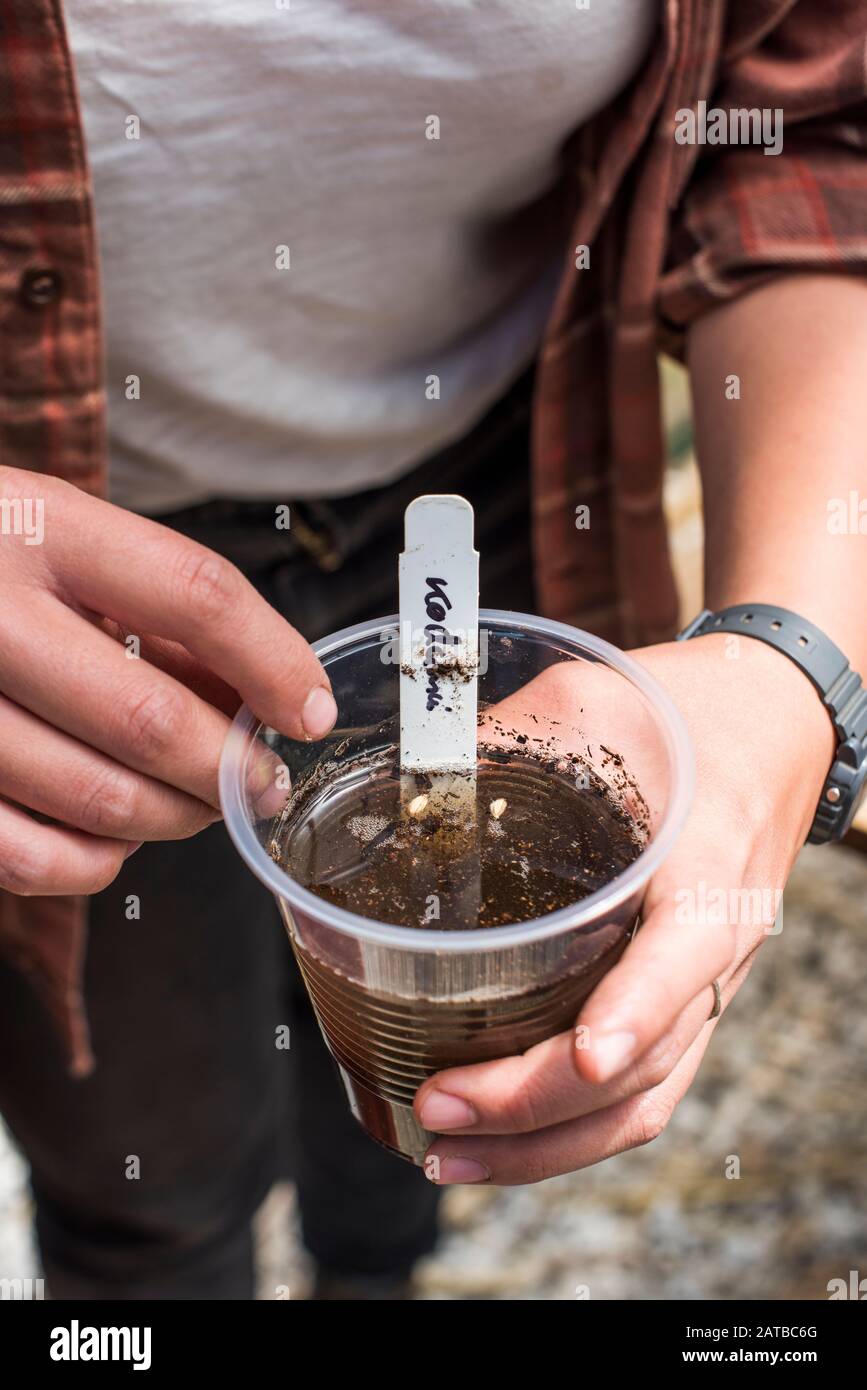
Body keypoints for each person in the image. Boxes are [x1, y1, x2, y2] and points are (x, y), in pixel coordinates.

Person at [0, 0, 865, 1299]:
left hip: (507, 469)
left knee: (429, 1120)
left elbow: (804, 123)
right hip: (56, 569)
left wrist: (788, 666)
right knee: (147, 1173)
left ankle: (377, 1270)